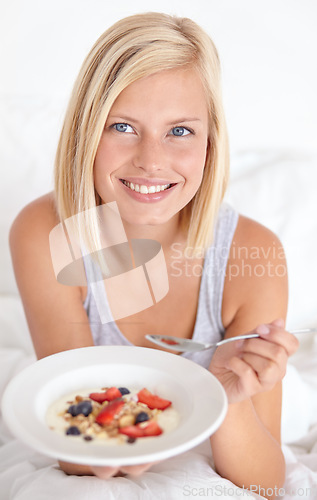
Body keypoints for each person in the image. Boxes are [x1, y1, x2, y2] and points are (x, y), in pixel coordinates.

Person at [9, 12, 298, 498]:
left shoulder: (252, 255)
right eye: (122, 126)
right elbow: (74, 445)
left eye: (180, 131)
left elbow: (267, 483)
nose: (150, 160)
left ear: (211, 141)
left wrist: (226, 397)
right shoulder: (46, 234)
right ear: (86, 132)